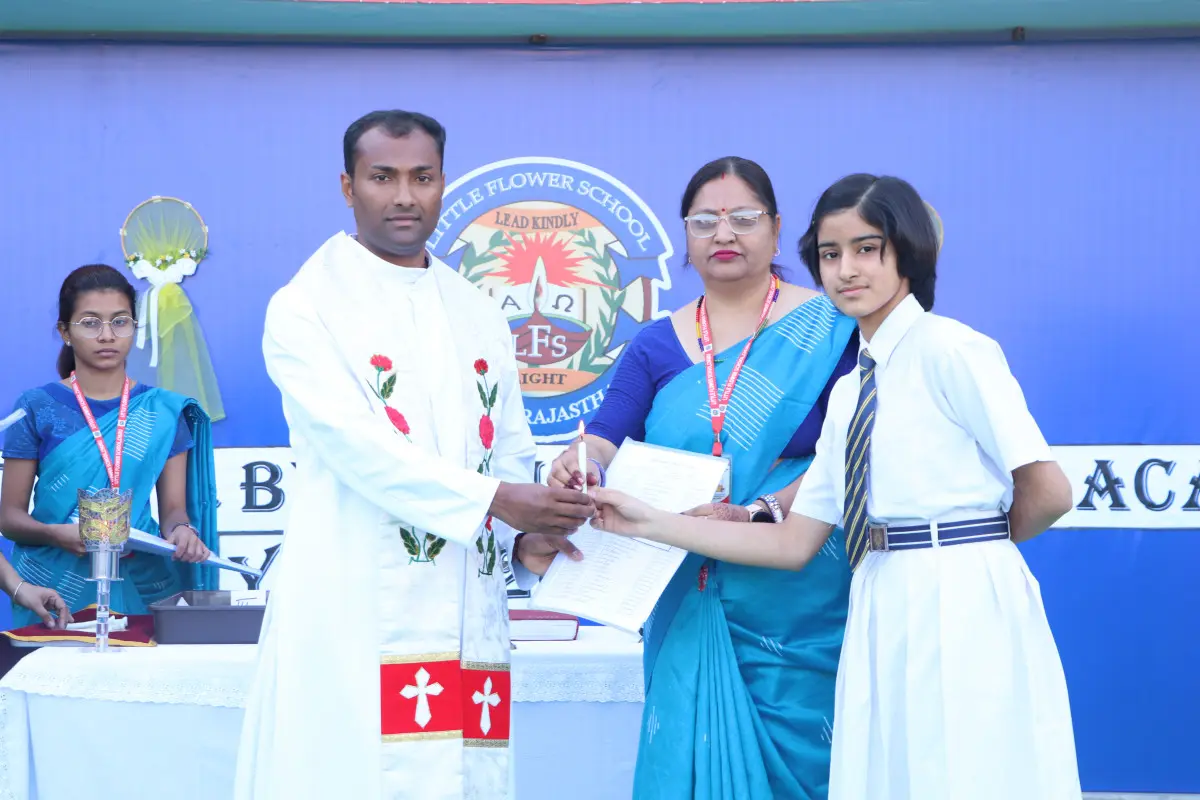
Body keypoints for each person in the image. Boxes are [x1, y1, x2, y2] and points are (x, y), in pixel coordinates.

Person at [588, 174, 1082, 800]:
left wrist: (970, 551)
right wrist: (648, 520)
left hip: (960, 597)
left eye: (867, 249)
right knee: (888, 776)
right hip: (876, 594)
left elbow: (1048, 491)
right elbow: (791, 542)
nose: (847, 269)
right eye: (829, 254)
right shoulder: (852, 388)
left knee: (969, 772)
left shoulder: (953, 349)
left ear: (907, 251)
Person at [234, 109, 595, 800]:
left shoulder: (475, 308)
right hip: (352, 604)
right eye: (383, 177)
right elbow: (357, 447)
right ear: (348, 187)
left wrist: (525, 537)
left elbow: (508, 449)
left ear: (443, 183)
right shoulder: (306, 306)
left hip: (464, 603)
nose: (404, 196)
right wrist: (498, 503)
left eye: (422, 178)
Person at [547, 157, 858, 799]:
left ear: (776, 230)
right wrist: (583, 461)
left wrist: (763, 508)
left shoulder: (833, 329)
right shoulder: (656, 343)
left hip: (798, 594)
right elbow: (605, 433)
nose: (724, 233)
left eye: (743, 217)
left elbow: (851, 455)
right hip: (685, 583)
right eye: (704, 221)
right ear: (685, 235)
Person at [0, 265, 217, 628]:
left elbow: (173, 511)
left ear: (135, 327)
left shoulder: (163, 412)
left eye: (120, 322)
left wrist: (182, 531)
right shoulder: (37, 407)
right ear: (65, 332)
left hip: (143, 583)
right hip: (52, 587)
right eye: (90, 323)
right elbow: (9, 519)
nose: (106, 335)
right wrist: (55, 534)